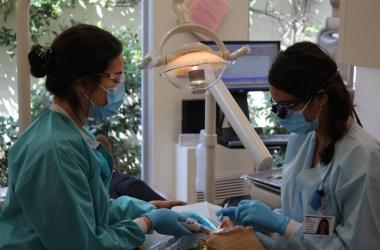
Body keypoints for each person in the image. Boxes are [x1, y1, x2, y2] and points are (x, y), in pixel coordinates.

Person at [0, 24, 214, 249]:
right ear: (83, 83)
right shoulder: (55, 151)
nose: (120, 88)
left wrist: (148, 209)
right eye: (114, 79)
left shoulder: (69, 128)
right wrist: (147, 222)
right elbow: (83, 244)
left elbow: (92, 209)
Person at [216, 41, 380, 249]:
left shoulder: (363, 159)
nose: (281, 115)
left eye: (289, 106)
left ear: (321, 98)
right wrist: (265, 222)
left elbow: (358, 244)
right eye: (276, 106)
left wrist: (281, 224)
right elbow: (299, 220)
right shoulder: (301, 140)